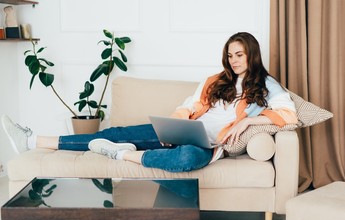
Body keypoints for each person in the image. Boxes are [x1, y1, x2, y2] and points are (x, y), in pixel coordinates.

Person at [2, 32, 298, 172]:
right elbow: (189, 105)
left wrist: (248, 120)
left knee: (186, 159)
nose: (234, 60)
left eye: (240, 54)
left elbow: (290, 115)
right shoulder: (215, 80)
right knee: (113, 134)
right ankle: (30, 140)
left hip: (208, 145)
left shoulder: (266, 84)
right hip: (186, 131)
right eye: (230, 54)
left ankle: (124, 156)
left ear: (252, 55)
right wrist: (176, 123)